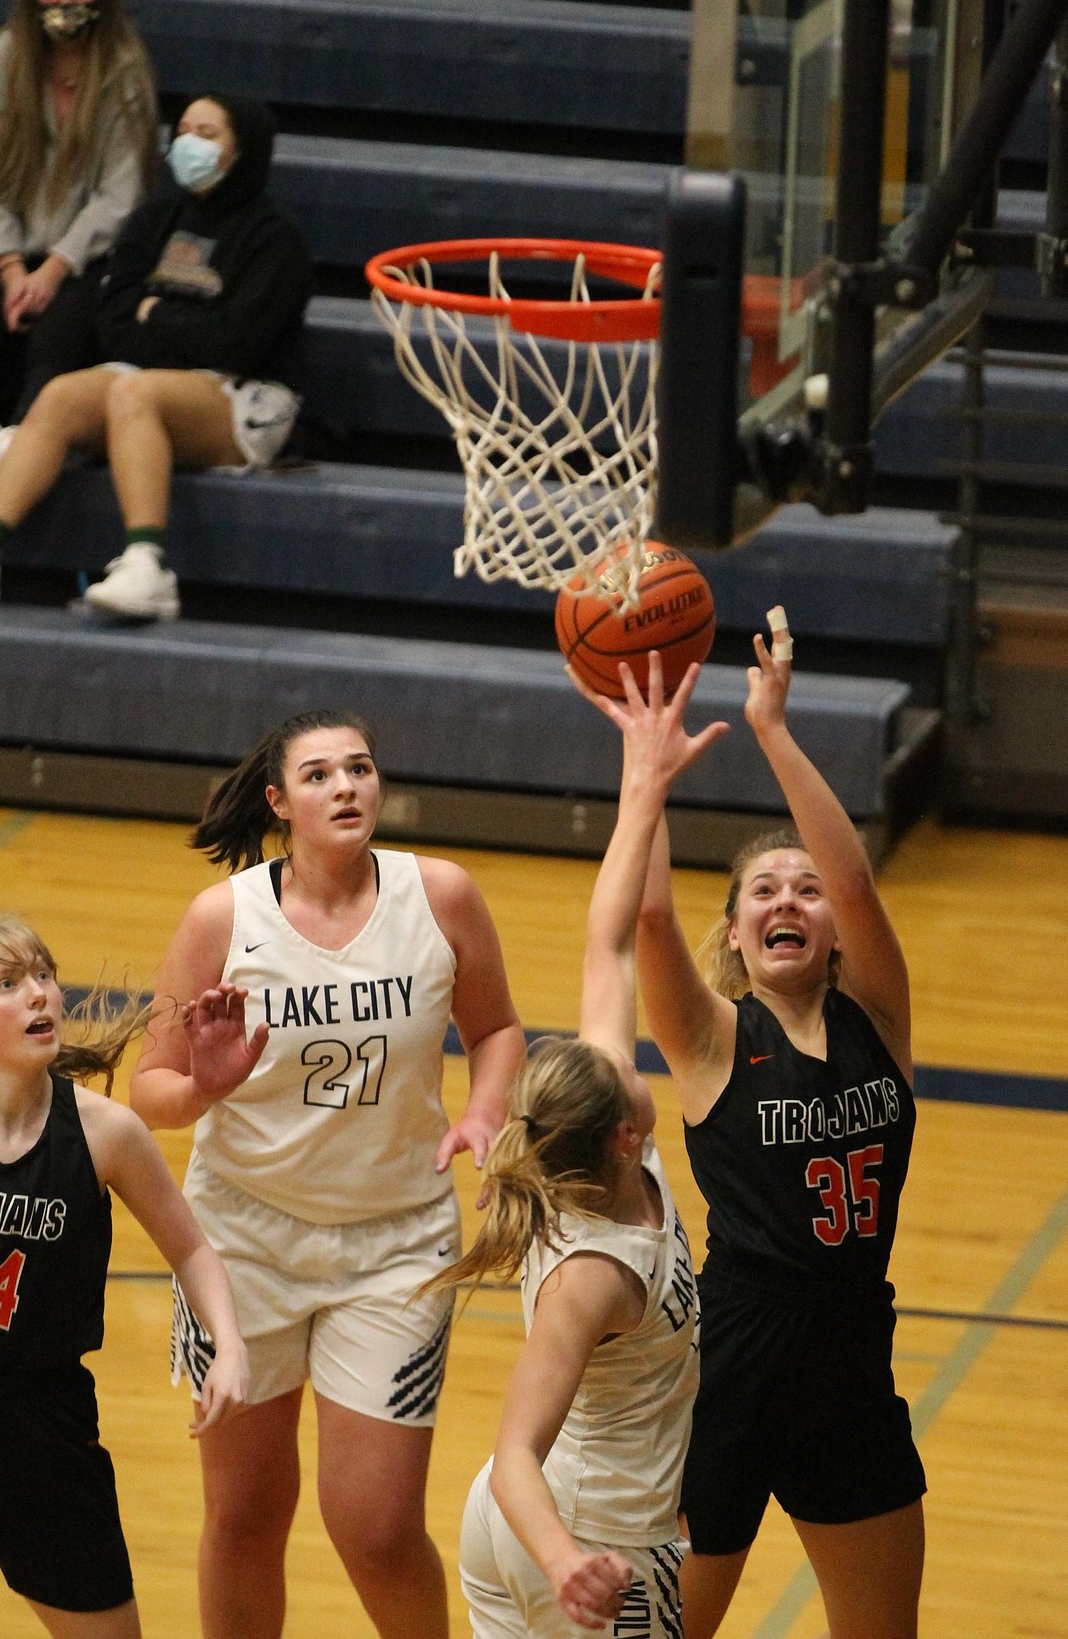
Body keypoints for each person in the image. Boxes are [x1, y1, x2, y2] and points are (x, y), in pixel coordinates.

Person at [129, 706, 526, 1639]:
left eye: (359, 768)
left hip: (396, 1243)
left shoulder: (442, 895)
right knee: (244, 1516)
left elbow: (499, 1027)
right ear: (278, 802)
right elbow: (151, 1089)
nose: (346, 785)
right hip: (239, 1243)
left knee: (378, 1529)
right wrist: (206, 1085)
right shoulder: (225, 916)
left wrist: (482, 1111)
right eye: (319, 775)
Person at [622, 609, 926, 1639]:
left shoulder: (879, 1018)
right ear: (740, 932)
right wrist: (647, 778)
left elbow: (855, 874)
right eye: (763, 890)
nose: (788, 898)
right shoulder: (713, 1042)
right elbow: (651, 918)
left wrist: (775, 731)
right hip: (734, 1372)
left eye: (805, 890)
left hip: (853, 1365)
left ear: (832, 930)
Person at [440, 653, 727, 1639]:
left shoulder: (601, 1151)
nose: (630, 1048)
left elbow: (609, 939)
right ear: (628, 1128)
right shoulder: (593, 1274)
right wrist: (571, 1567)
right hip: (587, 1541)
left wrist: (643, 775)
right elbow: (517, 1447)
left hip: (535, 1528)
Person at [0, 912, 249, 1639]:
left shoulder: (106, 1133)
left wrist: (227, 1344)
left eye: (43, 974)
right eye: (8, 983)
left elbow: (192, 1249)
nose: (39, 993)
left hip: (44, 1422)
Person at [0, 90, 311, 617]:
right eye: (183, 131)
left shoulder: (277, 240)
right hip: (145, 380)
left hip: (248, 399)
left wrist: (156, 315)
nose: (189, 144)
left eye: (207, 135)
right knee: (63, 393)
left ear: (245, 149)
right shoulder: (153, 220)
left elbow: (238, 343)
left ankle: (147, 568)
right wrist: (177, 326)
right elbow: (113, 325)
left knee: (134, 391)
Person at [0, 0, 158, 435]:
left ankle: (12, 462)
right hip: (6, 251)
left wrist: (53, 271)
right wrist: (13, 270)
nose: (68, 0)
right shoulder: (1, 61)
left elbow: (120, 195)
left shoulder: (124, 72)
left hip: (86, 261)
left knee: (55, 342)